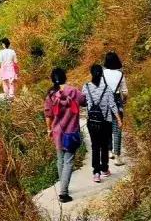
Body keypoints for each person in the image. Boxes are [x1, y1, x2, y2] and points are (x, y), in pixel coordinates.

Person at [44, 68, 86, 204]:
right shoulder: (73, 91)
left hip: (57, 132)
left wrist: (48, 129)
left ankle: (63, 186)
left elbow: (48, 114)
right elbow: (84, 100)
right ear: (64, 77)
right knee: (68, 161)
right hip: (71, 131)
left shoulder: (51, 94)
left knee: (60, 159)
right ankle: (63, 192)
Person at [82, 64, 122, 183]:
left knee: (95, 146)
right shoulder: (107, 88)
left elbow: (84, 102)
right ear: (101, 74)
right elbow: (112, 105)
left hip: (92, 121)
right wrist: (119, 119)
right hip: (105, 121)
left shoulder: (86, 87)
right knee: (104, 145)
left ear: (91, 73)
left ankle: (96, 173)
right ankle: (104, 169)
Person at [103, 51, 128, 165]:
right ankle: (117, 156)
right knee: (117, 129)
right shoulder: (120, 74)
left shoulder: (103, 74)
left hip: (105, 102)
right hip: (117, 101)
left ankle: (109, 151)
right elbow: (125, 91)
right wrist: (124, 101)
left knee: (107, 127)